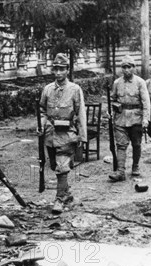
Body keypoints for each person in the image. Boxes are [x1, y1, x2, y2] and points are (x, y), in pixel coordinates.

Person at [38, 53, 87, 214]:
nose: (58, 73)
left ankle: (59, 199)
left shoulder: (74, 89)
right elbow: (42, 110)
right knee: (54, 165)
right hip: (50, 135)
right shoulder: (47, 90)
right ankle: (66, 193)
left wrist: (82, 136)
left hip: (67, 134)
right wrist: (41, 124)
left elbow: (81, 113)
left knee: (61, 166)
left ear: (67, 70)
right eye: (56, 69)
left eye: (62, 69)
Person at [108, 55, 150, 182]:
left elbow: (146, 102)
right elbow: (112, 99)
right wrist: (109, 111)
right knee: (121, 145)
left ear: (133, 68)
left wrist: (145, 119)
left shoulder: (140, 82)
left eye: (129, 67)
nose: (126, 70)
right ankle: (120, 171)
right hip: (120, 118)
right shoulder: (117, 83)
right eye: (124, 67)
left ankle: (135, 166)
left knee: (136, 144)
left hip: (136, 118)